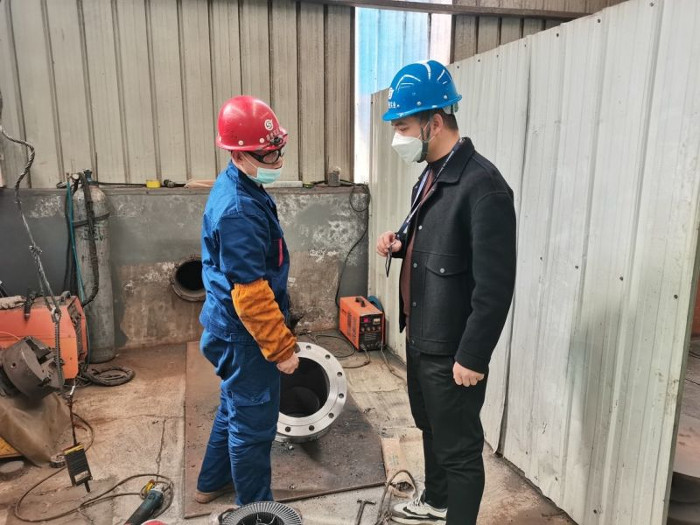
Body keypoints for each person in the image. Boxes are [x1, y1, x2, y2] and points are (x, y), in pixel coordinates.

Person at [376, 60, 516, 525]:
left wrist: (473, 356)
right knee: (431, 429)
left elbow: (495, 287)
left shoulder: (483, 187)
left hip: (453, 351)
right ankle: (436, 502)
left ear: (434, 123)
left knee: (460, 451)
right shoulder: (430, 175)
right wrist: (399, 242)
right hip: (422, 336)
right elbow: (437, 241)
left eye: (402, 127)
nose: (397, 138)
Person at [196, 95, 299, 507]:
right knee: (254, 427)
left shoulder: (242, 183)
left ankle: (210, 484)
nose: (276, 160)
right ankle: (255, 512)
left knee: (234, 407)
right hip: (245, 336)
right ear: (238, 154)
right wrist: (281, 348)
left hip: (230, 328)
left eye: (278, 150)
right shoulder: (239, 209)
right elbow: (251, 295)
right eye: (267, 154)